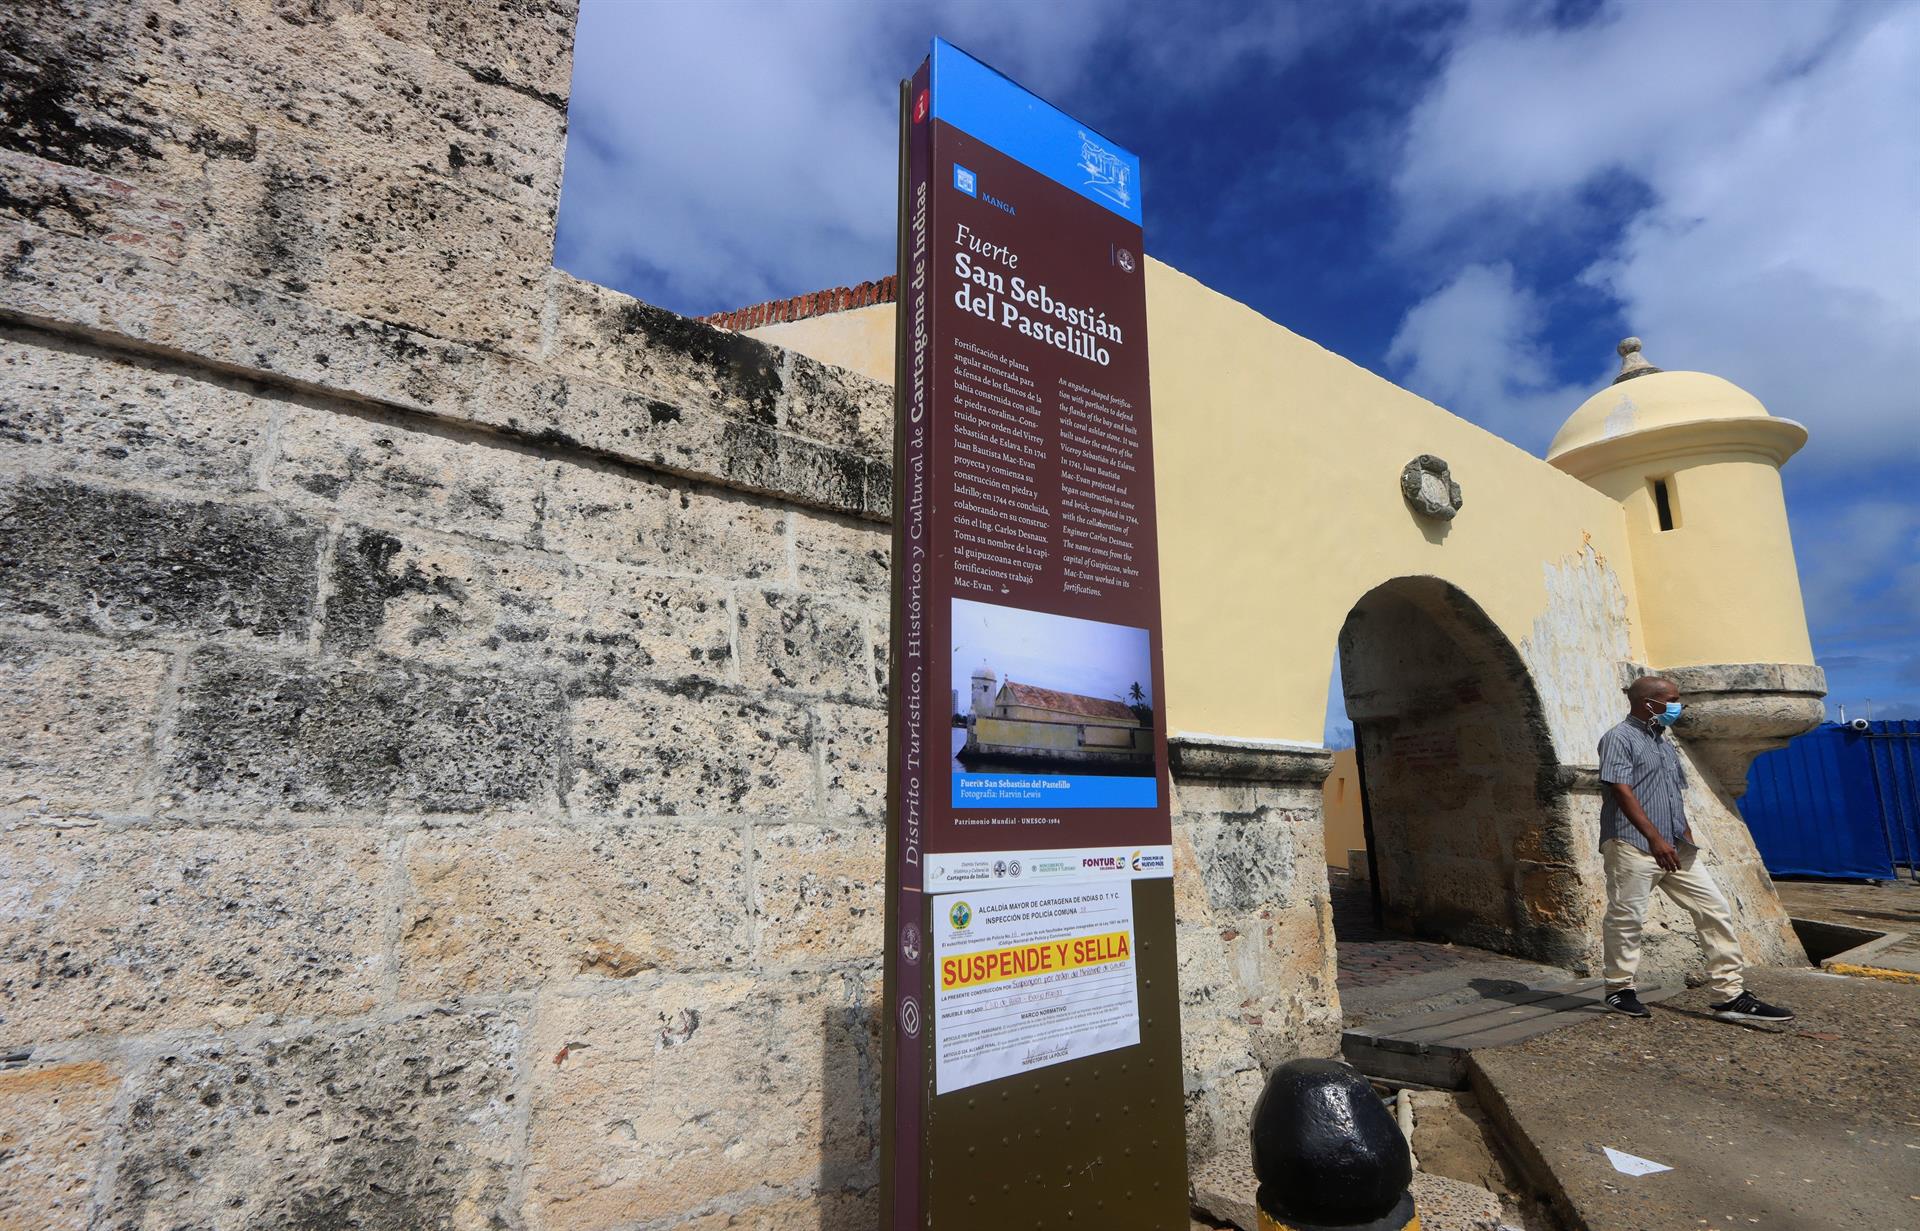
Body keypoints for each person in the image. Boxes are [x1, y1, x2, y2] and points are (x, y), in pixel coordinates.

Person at [1597, 675, 1793, 1023]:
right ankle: (1619, 988)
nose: (1678, 705)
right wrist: (1655, 838)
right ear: (1649, 703)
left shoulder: (1663, 742)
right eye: (1673, 699)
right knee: (1627, 918)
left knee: (1714, 909)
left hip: (1676, 847)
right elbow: (1621, 791)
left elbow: (1673, 793)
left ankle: (1729, 994)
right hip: (1633, 844)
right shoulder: (1618, 738)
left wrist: (1681, 833)